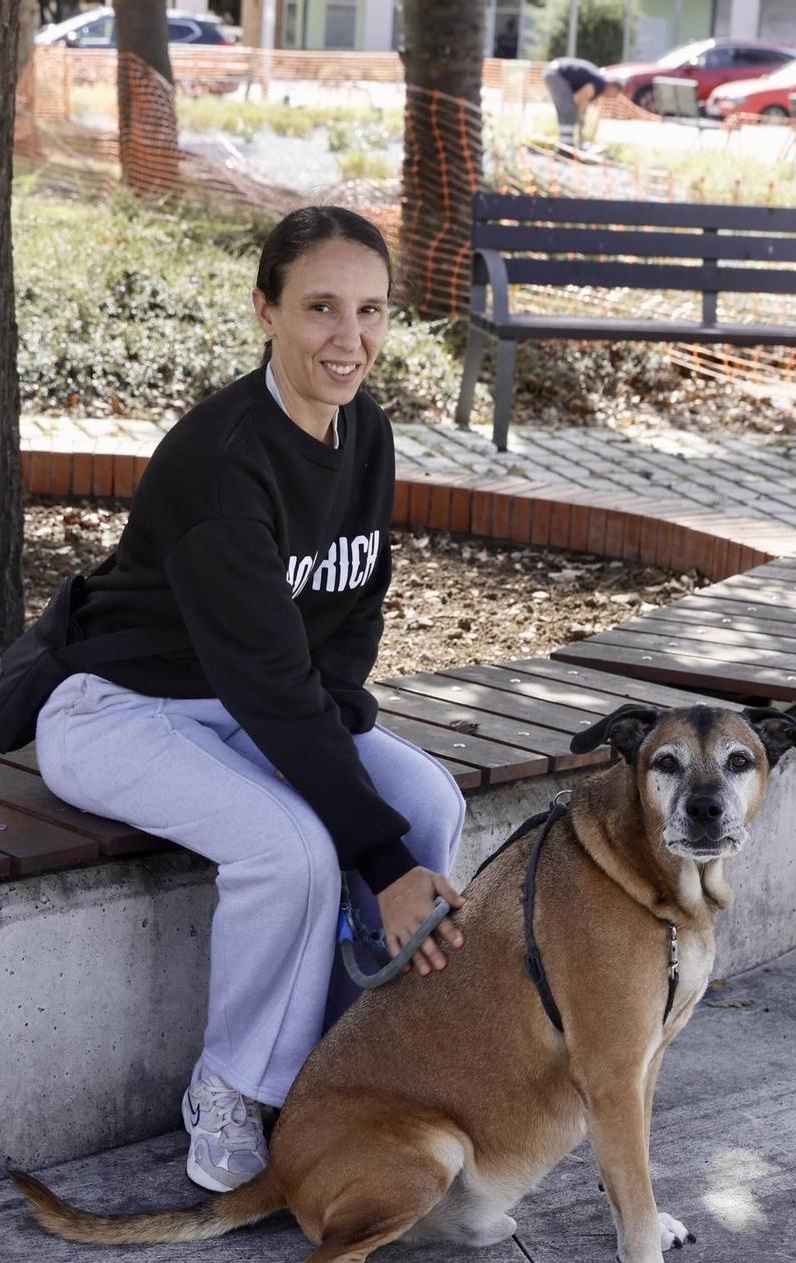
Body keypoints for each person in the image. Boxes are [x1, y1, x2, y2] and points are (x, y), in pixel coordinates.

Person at [32, 205, 470, 1195]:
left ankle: (354, 1063)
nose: (347, 338)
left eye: (368, 311)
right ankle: (234, 1082)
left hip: (248, 703)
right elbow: (272, 681)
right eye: (319, 307)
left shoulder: (363, 431)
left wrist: (337, 738)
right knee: (294, 850)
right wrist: (378, 856)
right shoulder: (224, 461)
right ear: (264, 310)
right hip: (120, 710)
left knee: (431, 805)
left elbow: (352, 609)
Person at [543, 54, 613, 146]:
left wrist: (580, 114)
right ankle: (566, 148)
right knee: (568, 112)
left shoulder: (598, 81)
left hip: (554, 72)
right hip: (556, 74)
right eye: (614, 94)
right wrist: (579, 115)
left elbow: (582, 100)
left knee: (568, 113)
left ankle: (565, 144)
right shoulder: (600, 84)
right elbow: (578, 98)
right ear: (613, 88)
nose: (612, 97)